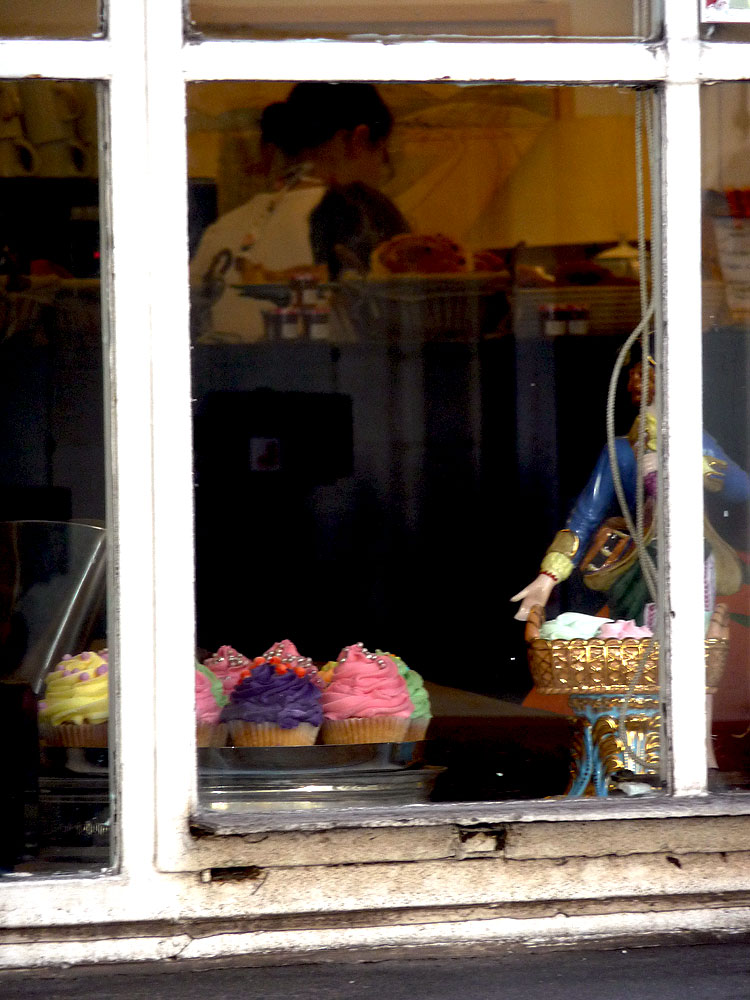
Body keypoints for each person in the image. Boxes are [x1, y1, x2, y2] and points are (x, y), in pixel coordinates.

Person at [511, 346, 750, 626]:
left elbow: (741, 488)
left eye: (644, 373)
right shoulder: (621, 451)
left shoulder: (694, 442)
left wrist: (686, 463)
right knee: (635, 632)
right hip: (637, 564)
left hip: (689, 557)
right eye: (632, 374)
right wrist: (548, 577)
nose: (634, 382)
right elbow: (585, 516)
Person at [190, 82, 407, 343]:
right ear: (358, 140)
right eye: (383, 155)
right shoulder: (369, 215)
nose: (381, 173)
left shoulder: (224, 228)